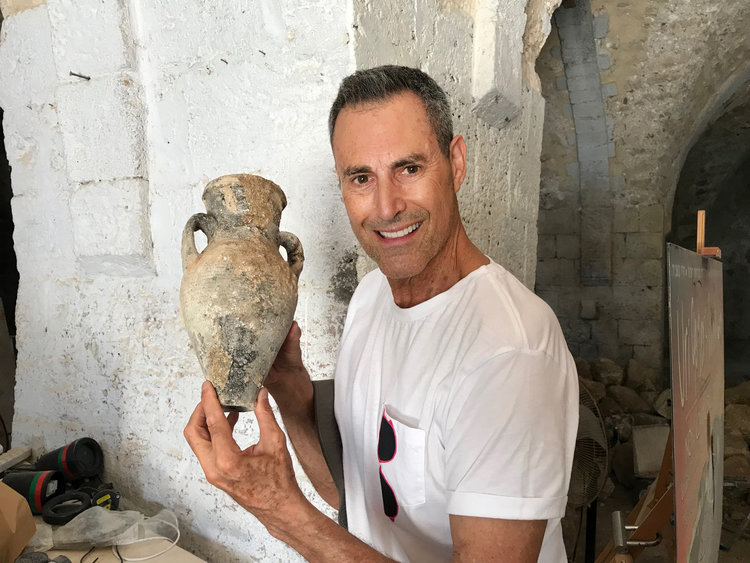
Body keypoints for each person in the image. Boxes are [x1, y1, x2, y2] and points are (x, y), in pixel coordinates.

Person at [184, 65, 579, 562]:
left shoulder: (509, 354)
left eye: (409, 169)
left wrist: (278, 509)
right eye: (361, 177)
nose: (387, 206)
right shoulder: (372, 297)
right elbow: (355, 499)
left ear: (455, 164)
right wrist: (288, 386)